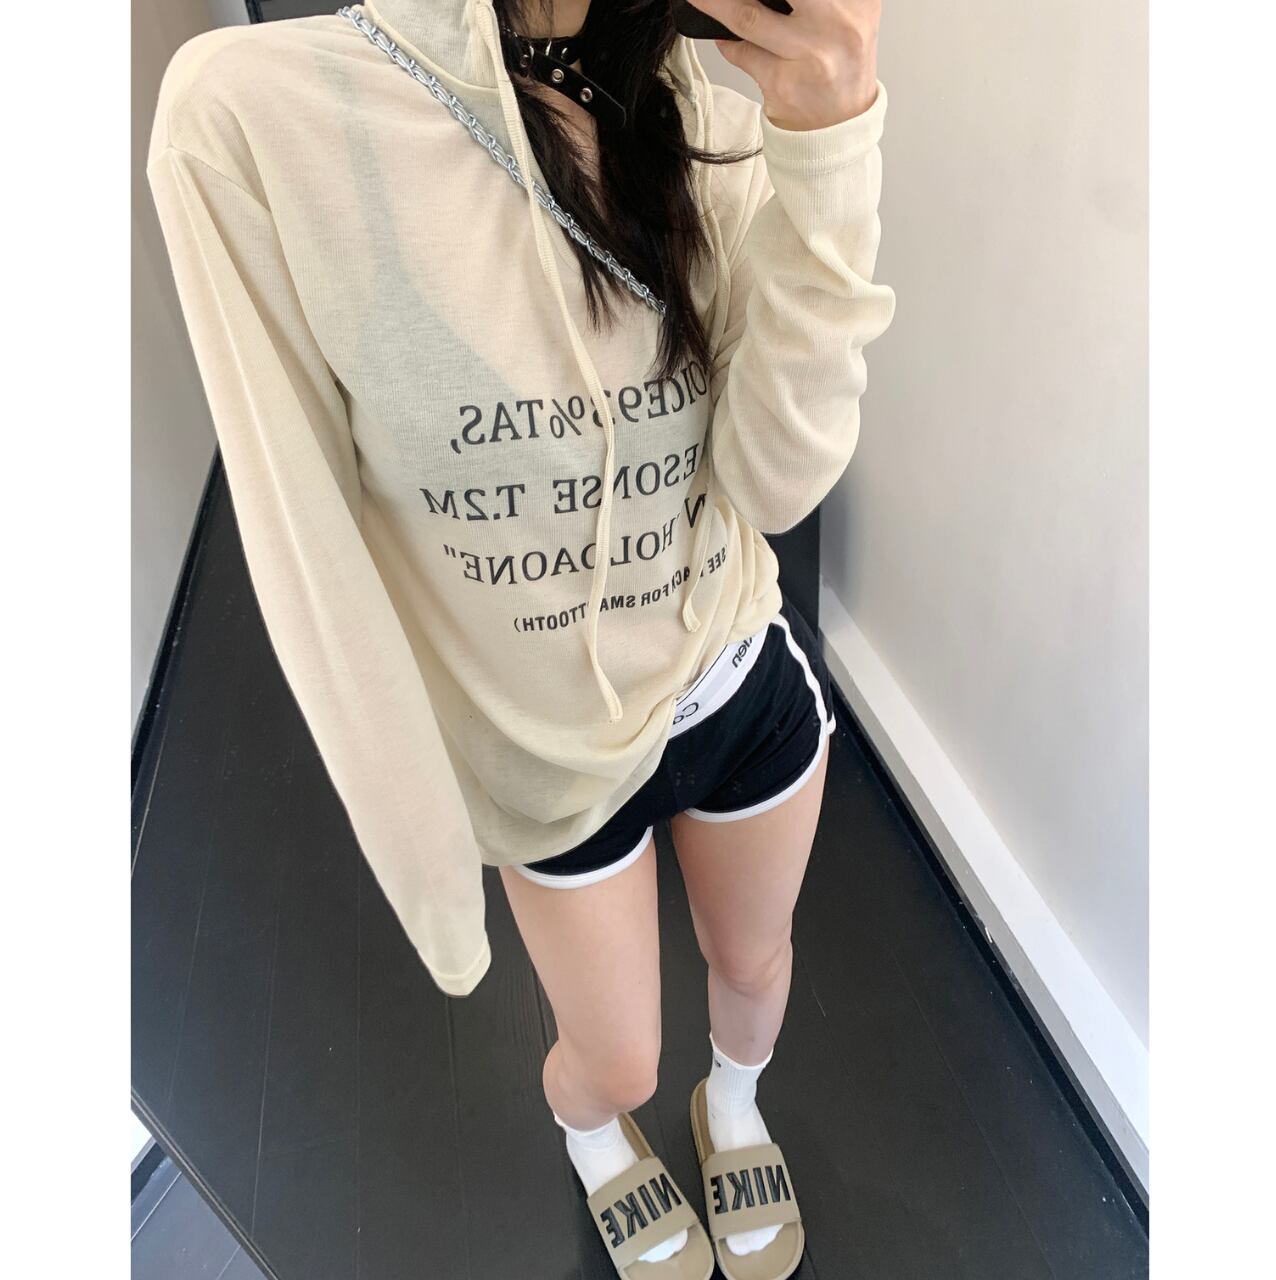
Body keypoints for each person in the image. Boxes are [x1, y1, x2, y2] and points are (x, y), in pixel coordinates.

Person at [146, 0, 892, 1275]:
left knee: (755, 963)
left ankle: (734, 1105)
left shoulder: (704, 102)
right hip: (542, 747)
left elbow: (770, 484)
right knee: (614, 1057)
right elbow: (303, 539)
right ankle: (590, 1129)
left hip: (730, 669)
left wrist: (828, 144)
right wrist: (431, 865)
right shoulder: (255, 116)